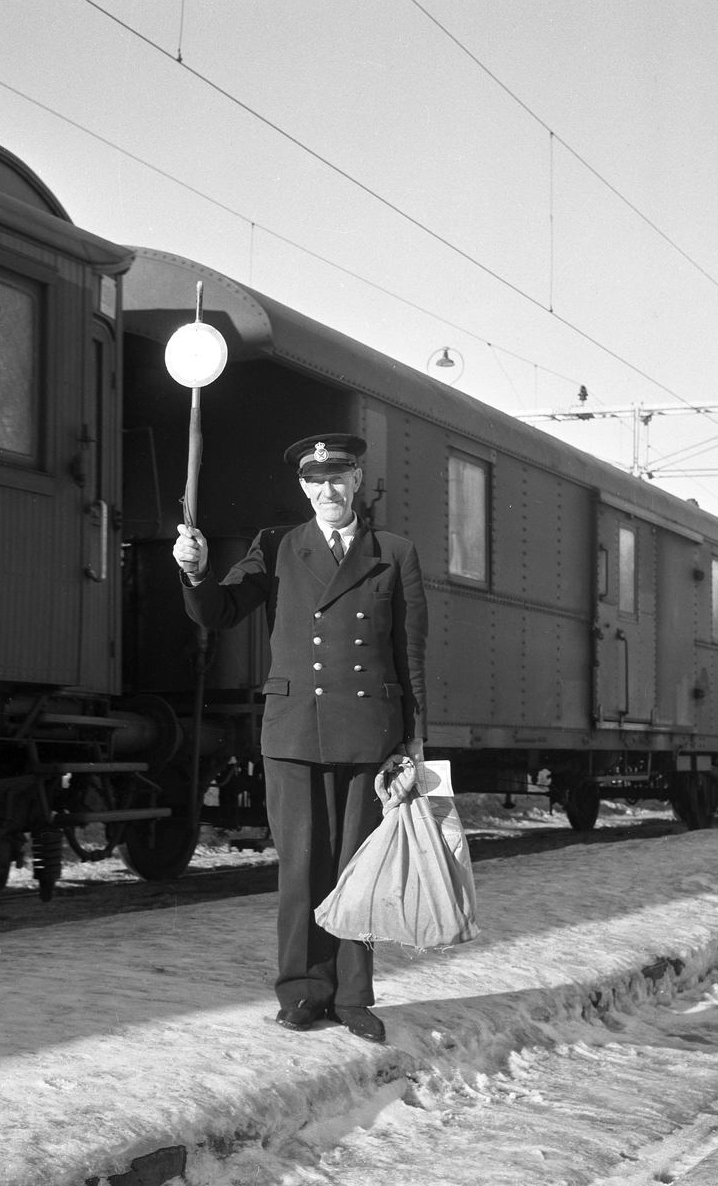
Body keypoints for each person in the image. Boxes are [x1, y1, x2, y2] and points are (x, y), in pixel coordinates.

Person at [173, 432, 427, 1043]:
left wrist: (415, 742)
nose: (327, 490)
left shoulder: (394, 552)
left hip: (370, 731)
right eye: (316, 481)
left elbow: (410, 655)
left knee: (358, 868)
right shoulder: (277, 546)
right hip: (293, 730)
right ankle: (302, 991)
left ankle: (353, 997)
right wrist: (196, 570)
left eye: (338, 477)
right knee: (300, 868)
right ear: (303, 488)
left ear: (357, 480)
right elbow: (219, 611)